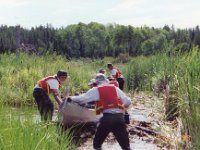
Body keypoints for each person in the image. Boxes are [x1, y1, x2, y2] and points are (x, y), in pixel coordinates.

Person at [68, 73, 132, 150]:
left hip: (107, 119)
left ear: (97, 82)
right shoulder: (115, 88)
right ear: (106, 81)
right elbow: (128, 101)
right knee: (126, 146)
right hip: (119, 118)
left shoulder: (96, 89)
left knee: (97, 145)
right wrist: (120, 108)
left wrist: (71, 98)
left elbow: (82, 99)